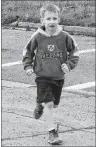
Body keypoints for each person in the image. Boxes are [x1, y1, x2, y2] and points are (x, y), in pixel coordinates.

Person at [22, 4, 79, 145]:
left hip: (58, 77)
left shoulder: (65, 36)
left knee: (54, 105)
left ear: (59, 19)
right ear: (42, 20)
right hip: (42, 76)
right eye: (48, 19)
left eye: (54, 18)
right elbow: (27, 51)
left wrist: (69, 64)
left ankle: (39, 104)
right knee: (49, 104)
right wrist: (28, 65)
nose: (52, 21)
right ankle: (52, 133)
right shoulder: (37, 37)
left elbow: (75, 52)